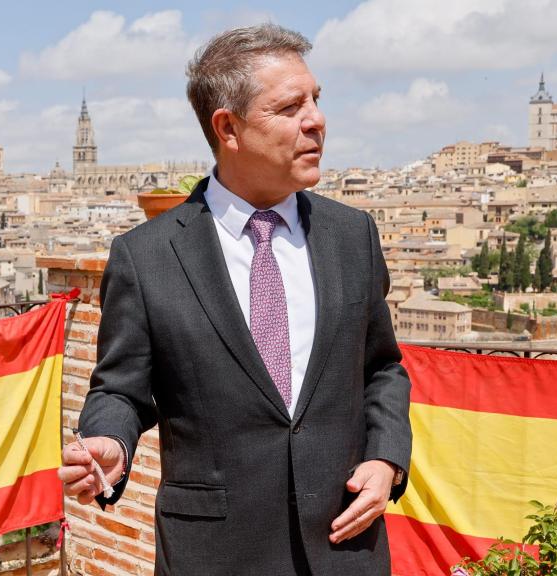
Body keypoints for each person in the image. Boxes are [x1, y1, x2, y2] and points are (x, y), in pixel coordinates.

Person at [58, 23, 411, 575]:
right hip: (214, 554)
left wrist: (385, 456)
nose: (316, 120)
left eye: (316, 100)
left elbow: (382, 367)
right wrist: (110, 442)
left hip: (344, 546)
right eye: (291, 106)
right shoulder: (147, 256)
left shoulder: (352, 236)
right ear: (229, 128)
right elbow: (121, 389)